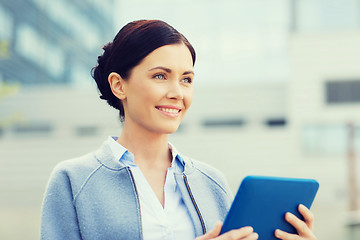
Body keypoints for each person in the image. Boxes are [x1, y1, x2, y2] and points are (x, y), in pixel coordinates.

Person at [40, 20, 317, 240]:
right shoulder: (73, 180)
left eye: (186, 79)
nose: (177, 93)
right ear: (118, 85)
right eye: (160, 76)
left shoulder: (212, 183)